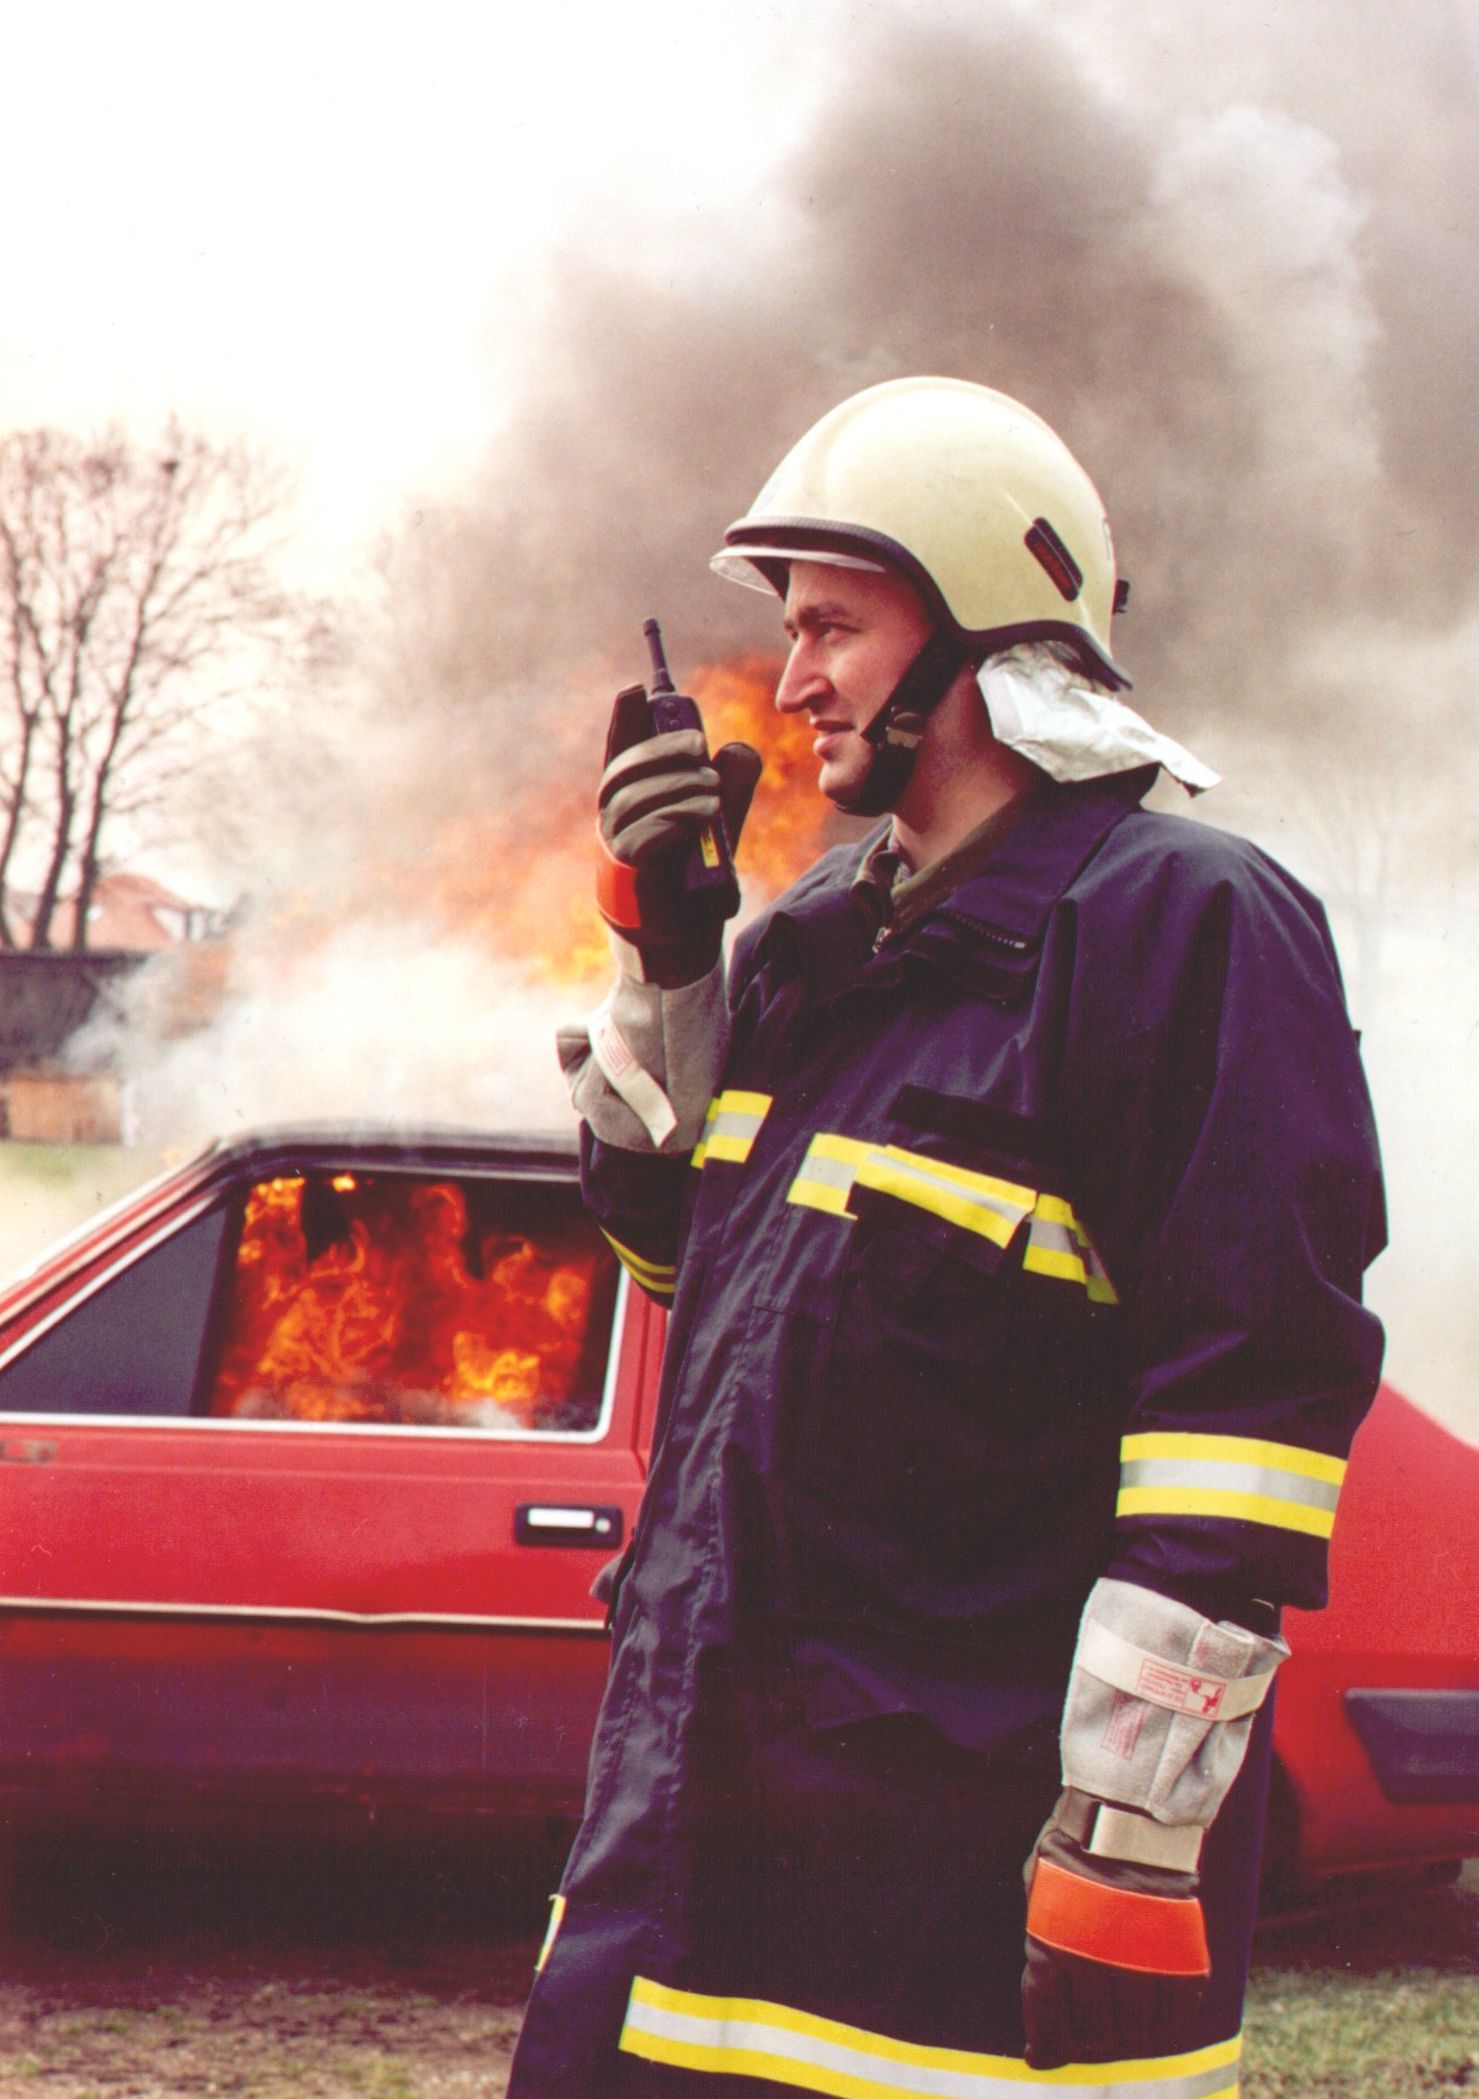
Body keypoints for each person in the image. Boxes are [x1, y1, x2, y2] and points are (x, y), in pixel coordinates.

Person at [509, 376, 1386, 2098]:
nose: (795, 679)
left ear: (985, 632)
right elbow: (689, 1269)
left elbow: (1246, 1433)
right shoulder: (814, 940)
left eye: (833, 625)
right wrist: (664, 966)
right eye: (791, 628)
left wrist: (1128, 1843)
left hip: (951, 1907)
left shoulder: (1186, 930)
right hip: (686, 1853)